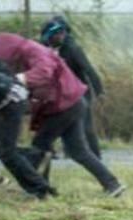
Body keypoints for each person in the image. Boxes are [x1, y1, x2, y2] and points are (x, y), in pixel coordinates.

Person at [0, 33, 124, 197]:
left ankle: (41, 190)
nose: (6, 63)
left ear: (8, 51)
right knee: (79, 151)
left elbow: (44, 72)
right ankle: (112, 184)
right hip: (71, 102)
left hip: (63, 105)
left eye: (4, 59)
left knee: (40, 147)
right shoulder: (25, 52)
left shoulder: (34, 50)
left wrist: (19, 78)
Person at [0, 57, 56, 198]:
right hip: (7, 97)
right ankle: (35, 157)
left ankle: (40, 189)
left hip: (9, 102)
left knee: (8, 154)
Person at [41, 15, 105, 159]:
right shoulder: (43, 47)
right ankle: (49, 152)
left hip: (80, 89)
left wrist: (99, 90)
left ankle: (96, 156)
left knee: (86, 125)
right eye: (57, 32)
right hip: (59, 91)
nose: (60, 35)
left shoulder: (72, 48)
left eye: (62, 31)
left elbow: (88, 69)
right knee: (52, 120)